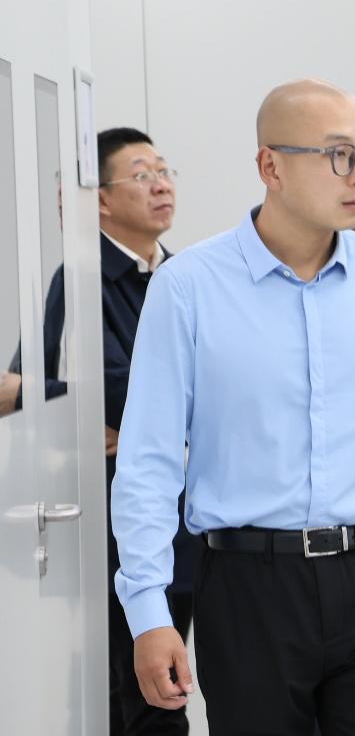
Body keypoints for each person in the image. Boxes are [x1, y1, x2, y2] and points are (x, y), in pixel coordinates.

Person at [111, 79, 355, 736]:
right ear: (270, 166)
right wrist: (148, 611)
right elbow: (148, 463)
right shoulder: (188, 287)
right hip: (248, 586)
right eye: (338, 154)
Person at [3, 126, 197, 734]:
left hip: (188, 524)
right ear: (101, 199)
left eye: (163, 171)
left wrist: (142, 417)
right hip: (112, 523)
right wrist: (81, 402)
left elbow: (214, 392)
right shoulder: (82, 279)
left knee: (166, 685)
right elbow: (101, 392)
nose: (161, 185)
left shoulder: (185, 276)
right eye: (141, 174)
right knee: (134, 693)